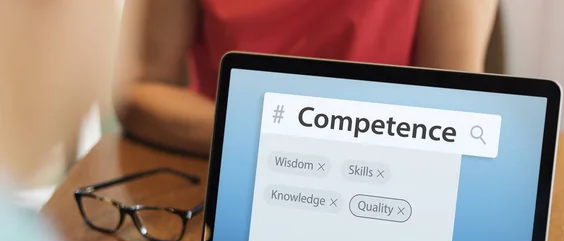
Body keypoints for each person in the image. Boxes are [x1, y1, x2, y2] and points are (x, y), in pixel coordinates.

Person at [0, 1, 443, 241]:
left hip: (391, 225)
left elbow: (454, 96)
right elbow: (140, 89)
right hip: (253, 205)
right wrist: (282, 136)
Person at [116, 0, 498, 157]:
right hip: (224, 179)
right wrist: (278, 139)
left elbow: (454, 113)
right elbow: (140, 90)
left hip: (384, 177)